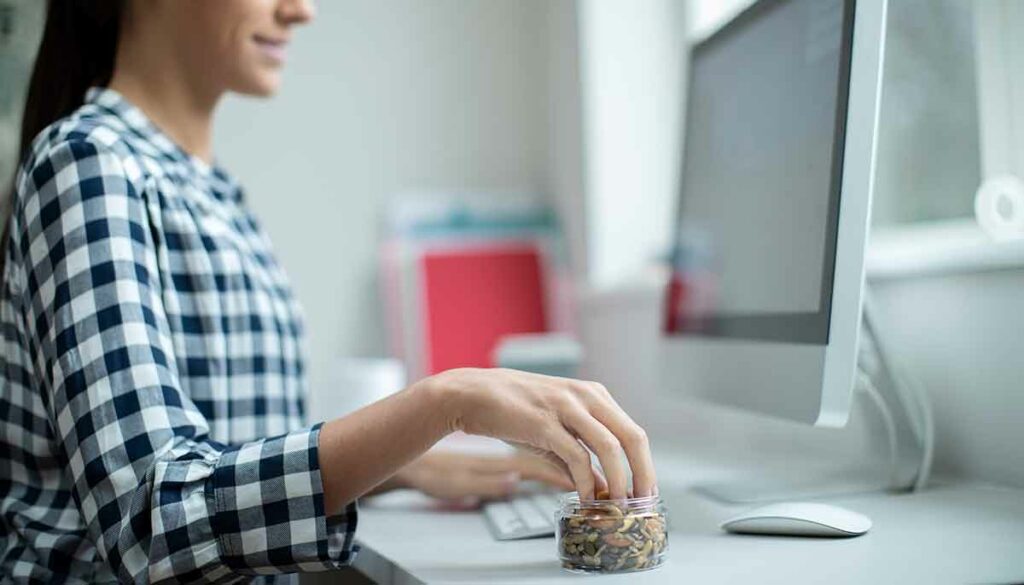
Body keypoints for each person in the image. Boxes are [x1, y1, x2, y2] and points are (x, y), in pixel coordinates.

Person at [0, 1, 657, 582]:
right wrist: (446, 401)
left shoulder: (212, 193)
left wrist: (402, 466)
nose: (301, 10)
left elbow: (227, 447)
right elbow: (150, 522)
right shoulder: (88, 166)